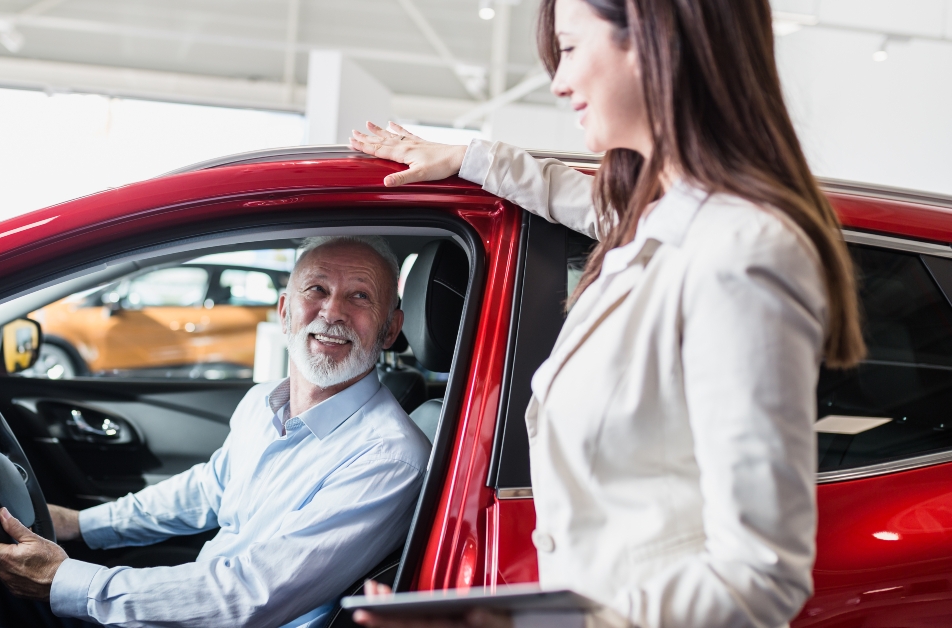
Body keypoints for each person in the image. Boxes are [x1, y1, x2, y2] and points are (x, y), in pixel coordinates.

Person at [348, 0, 863, 627]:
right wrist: (468, 158)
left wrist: (521, 625)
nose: (558, 82)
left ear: (651, 38)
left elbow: (758, 578)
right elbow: (577, 196)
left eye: (567, 48)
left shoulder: (740, 253)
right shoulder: (659, 221)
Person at [0, 236, 432, 628]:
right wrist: (79, 526)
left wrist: (66, 582)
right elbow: (209, 488)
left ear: (390, 330)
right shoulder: (263, 402)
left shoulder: (388, 457)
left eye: (360, 296)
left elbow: (250, 596)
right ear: (285, 310)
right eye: (317, 290)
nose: (333, 312)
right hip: (193, 604)